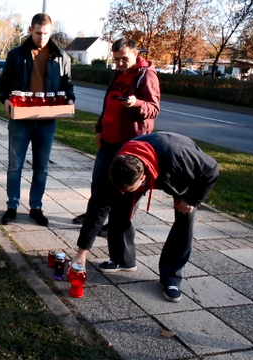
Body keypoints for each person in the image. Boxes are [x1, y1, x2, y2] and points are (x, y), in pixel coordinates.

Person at [73, 132, 219, 302]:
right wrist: (81, 252)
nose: (120, 191)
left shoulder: (179, 158)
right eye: (118, 187)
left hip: (179, 170)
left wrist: (191, 199)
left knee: (184, 221)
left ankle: (171, 277)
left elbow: (212, 169)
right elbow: (97, 211)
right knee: (119, 209)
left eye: (125, 188)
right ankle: (123, 259)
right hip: (146, 158)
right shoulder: (115, 168)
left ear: (142, 179)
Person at [72, 37, 160, 249]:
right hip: (107, 142)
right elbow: (108, 105)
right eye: (116, 59)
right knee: (99, 184)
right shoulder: (118, 74)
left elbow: (154, 108)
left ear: (135, 53)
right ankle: (95, 218)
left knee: (124, 188)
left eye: (124, 59)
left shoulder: (146, 76)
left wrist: (136, 103)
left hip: (129, 145)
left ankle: (115, 225)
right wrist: (98, 130)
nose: (119, 63)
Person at [0, 13, 75, 226]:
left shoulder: (61, 57)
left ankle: (36, 207)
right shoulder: (16, 55)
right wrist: (5, 100)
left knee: (42, 167)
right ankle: (12, 206)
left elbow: (68, 86)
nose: (42, 37)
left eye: (46, 33)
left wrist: (69, 100)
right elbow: (3, 85)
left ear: (51, 32)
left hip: (47, 121)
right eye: (38, 33)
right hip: (20, 119)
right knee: (15, 166)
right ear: (30, 30)